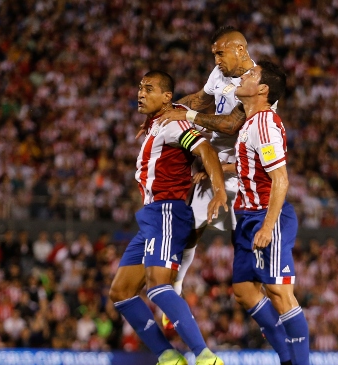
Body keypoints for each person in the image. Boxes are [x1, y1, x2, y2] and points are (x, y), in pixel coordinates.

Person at [159, 38, 301, 365]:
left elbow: (232, 126)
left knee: (277, 290)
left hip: (254, 195)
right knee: (239, 286)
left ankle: (297, 352)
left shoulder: (259, 104)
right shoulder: (223, 79)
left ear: (240, 49)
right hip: (231, 181)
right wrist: (168, 110)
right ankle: (176, 287)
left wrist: (189, 116)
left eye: (220, 52)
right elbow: (201, 98)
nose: (216, 58)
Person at [109, 70, 228, 365]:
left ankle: (205, 356)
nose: (140, 93)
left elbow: (206, 150)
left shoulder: (174, 125)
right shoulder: (155, 124)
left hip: (167, 212)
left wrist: (219, 190)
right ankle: (169, 356)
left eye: (148, 89)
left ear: (166, 98)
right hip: (151, 215)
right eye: (139, 87)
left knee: (158, 284)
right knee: (121, 291)